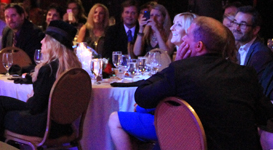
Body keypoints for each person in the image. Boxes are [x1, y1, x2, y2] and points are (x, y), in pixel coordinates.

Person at [109, 16, 273, 150]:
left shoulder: (181, 71)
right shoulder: (245, 74)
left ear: (199, 46)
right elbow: (265, 114)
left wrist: (176, 65)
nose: (184, 38)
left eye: (187, 35)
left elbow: (142, 95)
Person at [0, 20, 81, 141]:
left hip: (45, 126)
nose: (41, 41)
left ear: (54, 44)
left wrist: (31, 97)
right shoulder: (74, 68)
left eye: (45, 39)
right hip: (65, 125)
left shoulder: (48, 69)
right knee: (0, 103)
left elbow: (35, 107)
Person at [232, 6, 273, 80]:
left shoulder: (261, 54)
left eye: (243, 24)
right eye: (235, 22)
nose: (236, 28)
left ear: (255, 30)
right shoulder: (239, 47)